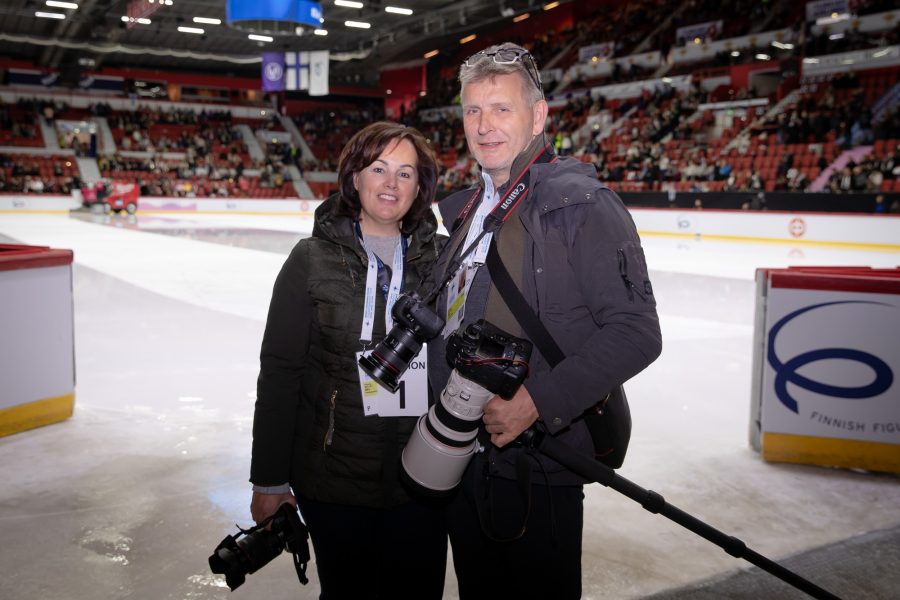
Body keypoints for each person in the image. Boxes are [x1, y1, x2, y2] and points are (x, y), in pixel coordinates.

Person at [426, 43, 662, 599]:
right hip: (465, 459)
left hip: (537, 467)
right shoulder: (465, 210)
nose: (484, 126)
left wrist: (538, 402)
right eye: (473, 110)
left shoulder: (582, 204)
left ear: (537, 116)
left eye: (501, 109)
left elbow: (637, 332)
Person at [249, 121, 447, 599]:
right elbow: (280, 372)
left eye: (406, 173)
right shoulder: (310, 260)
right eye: (378, 168)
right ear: (354, 177)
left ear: (420, 187)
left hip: (422, 478)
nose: (391, 184)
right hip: (333, 480)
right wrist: (269, 478)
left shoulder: (443, 260)